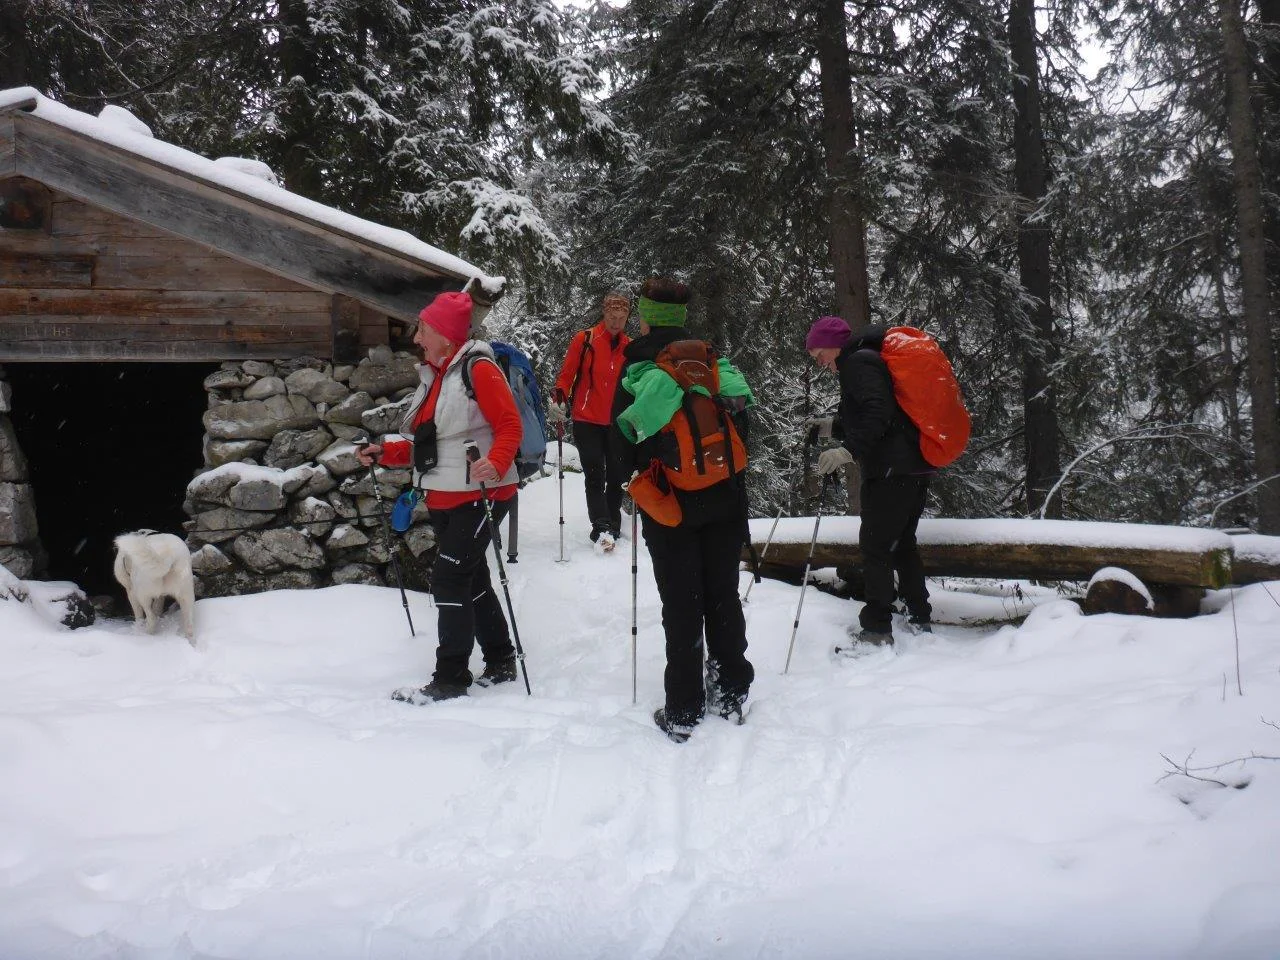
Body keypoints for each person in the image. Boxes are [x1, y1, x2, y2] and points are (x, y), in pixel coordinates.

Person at [357, 291, 523, 703]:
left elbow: (509, 425)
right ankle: (501, 659)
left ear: (446, 335)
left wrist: (496, 462)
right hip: (447, 494)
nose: (416, 337)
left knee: (449, 578)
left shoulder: (478, 369)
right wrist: (388, 453)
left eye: (424, 329)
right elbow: (433, 445)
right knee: (472, 576)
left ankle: (450, 678)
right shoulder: (437, 375)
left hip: (483, 493)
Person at [612, 277, 755, 742]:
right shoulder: (713, 361)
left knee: (682, 600)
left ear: (647, 315)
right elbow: (742, 427)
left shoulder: (637, 364)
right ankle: (732, 688)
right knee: (722, 594)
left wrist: (628, 481)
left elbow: (625, 439)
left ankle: (684, 708)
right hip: (725, 496)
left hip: (670, 502)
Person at [805, 315, 934, 646]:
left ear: (835, 344)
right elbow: (874, 414)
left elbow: (878, 414)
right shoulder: (869, 359)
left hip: (891, 471)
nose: (819, 362)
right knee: (902, 544)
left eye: (819, 353)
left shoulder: (858, 363)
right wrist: (832, 427)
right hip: (913, 467)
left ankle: (877, 628)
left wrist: (846, 451)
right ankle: (919, 615)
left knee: (876, 548)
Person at [549, 291, 632, 550]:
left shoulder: (630, 347)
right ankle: (602, 526)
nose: (616, 322)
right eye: (612, 316)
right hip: (587, 419)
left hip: (617, 421)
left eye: (622, 317)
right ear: (604, 313)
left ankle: (612, 522)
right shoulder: (585, 340)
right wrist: (559, 398)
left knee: (618, 475)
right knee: (595, 473)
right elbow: (567, 375)